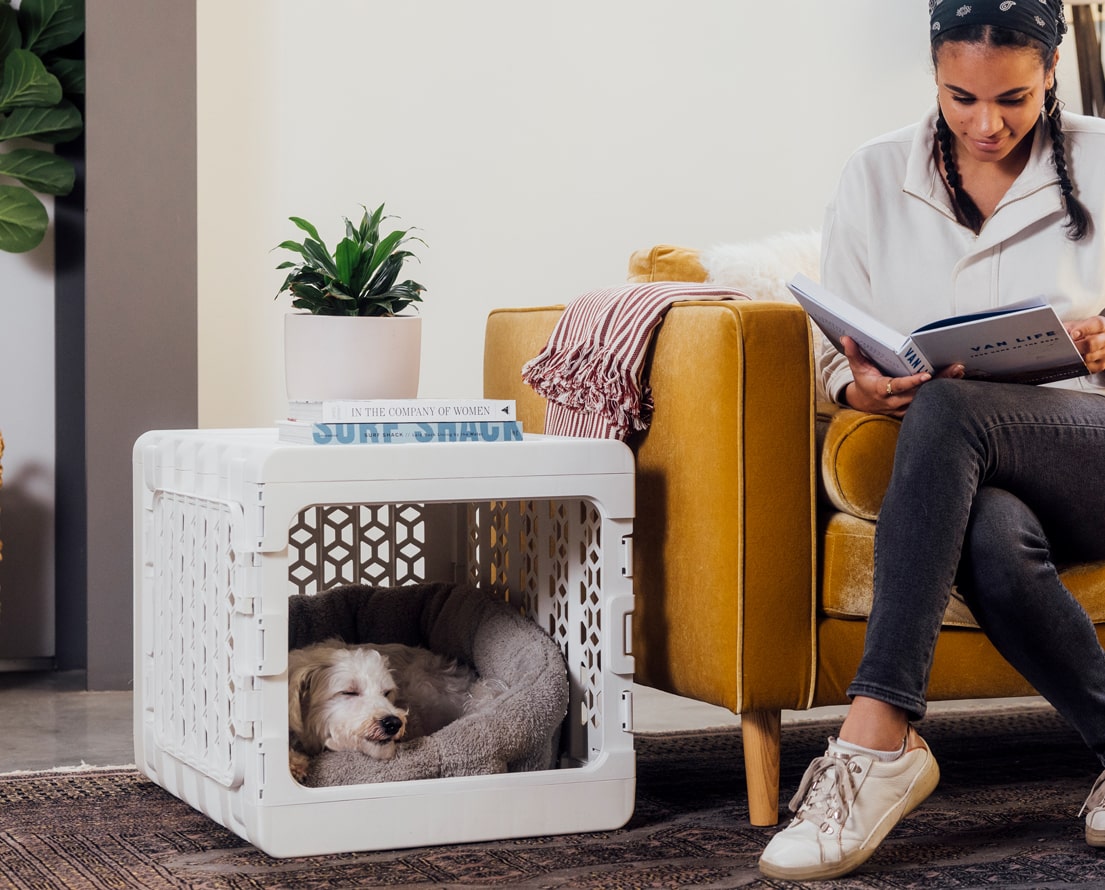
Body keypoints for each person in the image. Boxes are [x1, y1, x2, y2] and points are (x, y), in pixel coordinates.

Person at [758, 1, 1105, 881]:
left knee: (952, 411)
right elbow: (836, 345)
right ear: (933, 76)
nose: (987, 124)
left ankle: (875, 739)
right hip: (975, 474)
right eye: (961, 97)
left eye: (1014, 100)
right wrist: (858, 383)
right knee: (984, 531)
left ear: (1052, 72)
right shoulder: (873, 174)